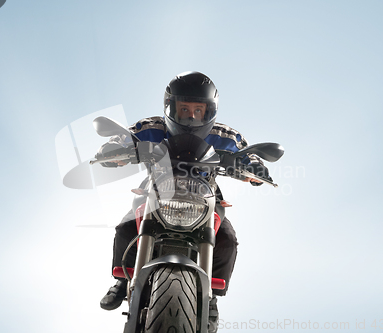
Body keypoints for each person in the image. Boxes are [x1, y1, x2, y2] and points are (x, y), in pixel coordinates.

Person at [98, 71, 270, 332]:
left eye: (198, 109)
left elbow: (246, 156)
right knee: (125, 228)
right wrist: (112, 152)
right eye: (184, 108)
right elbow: (124, 139)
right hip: (156, 193)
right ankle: (122, 281)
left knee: (228, 240)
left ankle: (211, 296)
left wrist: (255, 170)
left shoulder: (225, 135)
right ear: (171, 107)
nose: (191, 115)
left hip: (205, 197)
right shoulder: (151, 127)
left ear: (209, 110)